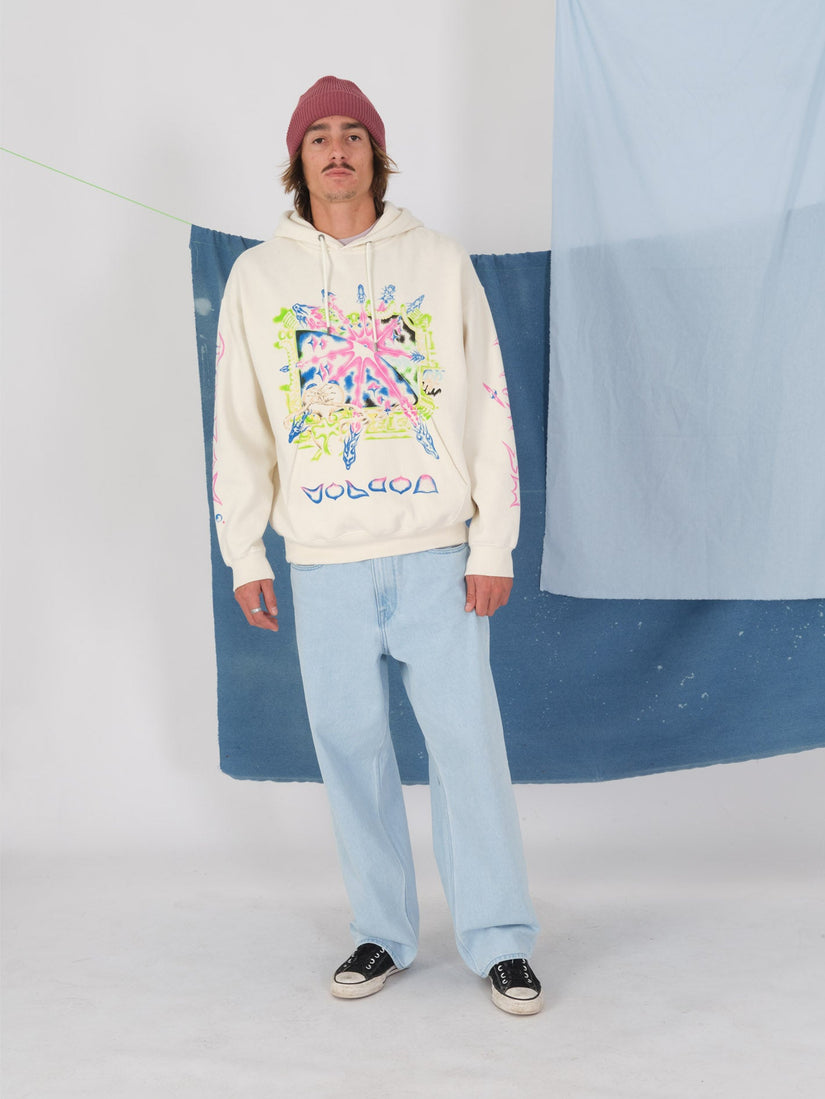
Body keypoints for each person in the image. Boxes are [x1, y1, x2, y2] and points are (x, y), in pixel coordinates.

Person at [212, 76, 542, 1015]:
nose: (337, 149)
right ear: (298, 160)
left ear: (375, 154)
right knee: (349, 749)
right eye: (318, 135)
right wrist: (245, 552)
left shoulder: (437, 261)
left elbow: (487, 404)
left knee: (467, 748)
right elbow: (238, 423)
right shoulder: (257, 279)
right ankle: (382, 931)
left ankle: (499, 938)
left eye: (353, 134)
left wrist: (492, 542)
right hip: (323, 562)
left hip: (437, 555)